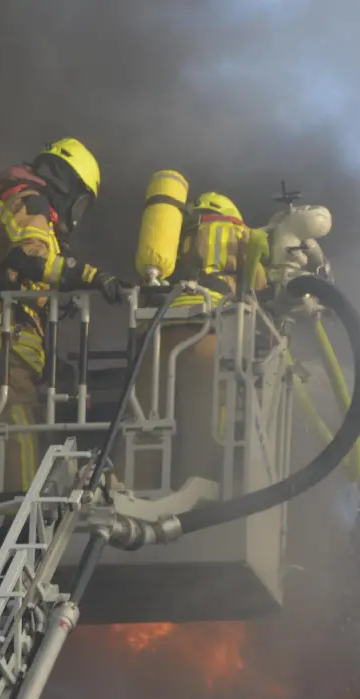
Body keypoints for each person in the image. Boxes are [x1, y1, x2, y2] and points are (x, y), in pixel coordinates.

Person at [0, 137, 129, 494]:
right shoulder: (31, 201)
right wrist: (91, 277)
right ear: (68, 185)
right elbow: (30, 257)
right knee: (19, 434)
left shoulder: (7, 196)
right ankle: (23, 519)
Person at [131, 191, 268, 492]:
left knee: (144, 423)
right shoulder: (240, 234)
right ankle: (193, 490)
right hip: (207, 331)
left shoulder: (172, 233)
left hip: (158, 334)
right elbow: (259, 283)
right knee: (200, 424)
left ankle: (131, 488)